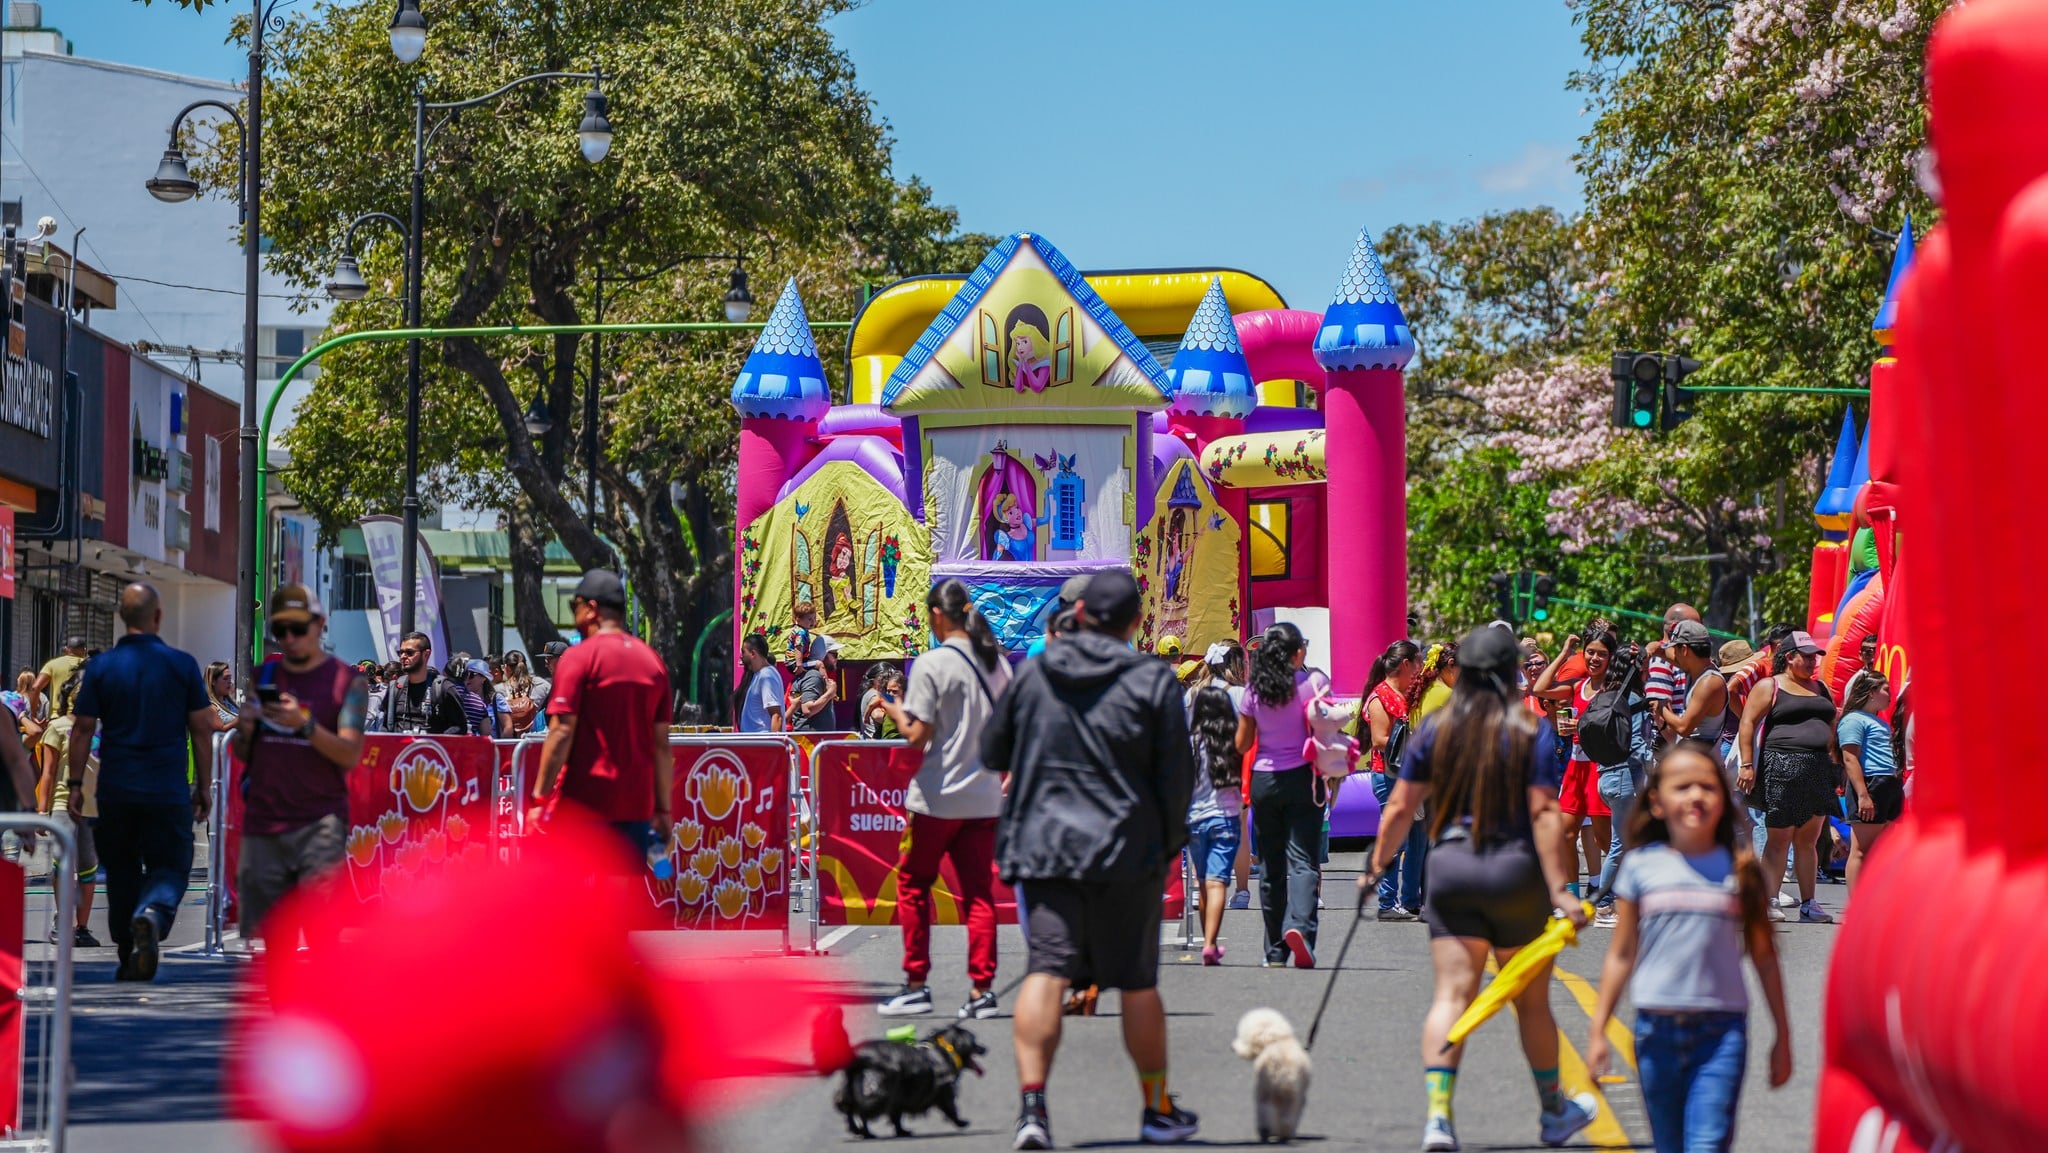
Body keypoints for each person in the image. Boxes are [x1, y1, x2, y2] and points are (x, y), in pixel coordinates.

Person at [982, 569, 1198, 1148]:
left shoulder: (1035, 675)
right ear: (1134, 623)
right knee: (1136, 982)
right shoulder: (1153, 679)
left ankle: (1032, 1110)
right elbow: (1178, 775)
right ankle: (1155, 1109)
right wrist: (1169, 843)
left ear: (1076, 616)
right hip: (1127, 850)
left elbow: (992, 748)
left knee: (1047, 969)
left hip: (1045, 847)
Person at [1364, 624, 1599, 1153]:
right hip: (1515, 871)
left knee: (1451, 994)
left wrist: (1374, 868)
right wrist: (1560, 890)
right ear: (1509, 673)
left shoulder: (1435, 729)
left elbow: (1401, 807)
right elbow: (1542, 809)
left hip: (1451, 868)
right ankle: (1553, 1110)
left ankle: (1439, 1118)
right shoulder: (1527, 727)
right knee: (1532, 1004)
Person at [1587, 741, 1793, 1153]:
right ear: (1657, 803)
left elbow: (1764, 958)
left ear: (1723, 797)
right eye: (1682, 787)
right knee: (1669, 1145)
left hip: (1721, 1036)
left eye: (1708, 786)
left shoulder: (1741, 870)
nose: (1696, 795)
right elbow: (1621, 954)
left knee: (1707, 1143)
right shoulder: (1641, 867)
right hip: (1654, 1032)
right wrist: (1597, 1031)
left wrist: (1782, 1037)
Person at [872, 580, 1012, 1020]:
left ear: (936, 615)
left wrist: (893, 709)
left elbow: (917, 736)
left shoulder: (932, 665)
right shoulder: (999, 667)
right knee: (978, 895)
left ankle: (916, 983)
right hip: (984, 797)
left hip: (935, 799)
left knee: (913, 886)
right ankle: (982, 990)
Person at [68, 583, 216, 982]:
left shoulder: (101, 667)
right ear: (157, 617)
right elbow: (202, 728)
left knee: (121, 871)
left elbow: (81, 730)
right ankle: (152, 914)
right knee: (171, 863)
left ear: (121, 617)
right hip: (166, 788)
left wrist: (76, 784)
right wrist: (204, 785)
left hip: (116, 788)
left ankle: (125, 952)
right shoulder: (181, 664)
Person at [231, 586, 367, 952]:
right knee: (275, 945)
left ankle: (320, 1009)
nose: (289, 639)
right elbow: (246, 753)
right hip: (267, 823)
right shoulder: (263, 676)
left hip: (319, 822)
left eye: (298, 628)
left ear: (319, 624)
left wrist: (303, 724)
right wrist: (245, 730)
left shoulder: (347, 682)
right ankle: (283, 1011)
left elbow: (350, 754)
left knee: (322, 936)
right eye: (280, 630)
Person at [530, 571, 675, 864]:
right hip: (636, 805)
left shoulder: (579, 658)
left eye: (575, 607)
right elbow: (662, 746)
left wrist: (539, 798)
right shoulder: (653, 662)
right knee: (622, 896)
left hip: (584, 805)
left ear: (591, 608)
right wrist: (663, 810)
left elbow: (560, 732)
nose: (575, 617)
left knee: (576, 899)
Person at [1235, 622, 1330, 968]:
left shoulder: (1253, 691)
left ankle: (1274, 951)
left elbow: (1242, 744)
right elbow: (1330, 728)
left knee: (1272, 867)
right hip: (1304, 778)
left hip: (1265, 781)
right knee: (1304, 861)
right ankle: (1302, 929)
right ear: (1298, 653)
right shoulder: (1315, 683)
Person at [1735, 630, 1836, 924]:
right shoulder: (1770, 686)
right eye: (1805, 657)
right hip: (1781, 766)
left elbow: (1831, 725)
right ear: (1789, 658)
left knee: (1808, 840)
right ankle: (1769, 899)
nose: (1811, 662)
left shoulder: (1821, 688)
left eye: (1814, 657)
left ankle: (1809, 904)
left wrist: (1833, 762)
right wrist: (1746, 765)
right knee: (1779, 838)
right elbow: (1747, 723)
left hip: (1818, 770)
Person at [1532, 628, 1625, 899]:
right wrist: (1563, 654)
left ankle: (1615, 896)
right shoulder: (1577, 686)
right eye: (1591, 652)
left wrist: (1581, 728)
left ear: (1611, 658)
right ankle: (1571, 895)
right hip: (1576, 767)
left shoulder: (1614, 688)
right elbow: (1539, 689)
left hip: (1599, 768)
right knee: (1564, 834)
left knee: (1605, 840)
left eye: (1602, 654)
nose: (1595, 658)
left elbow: (1614, 729)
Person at [36, 675, 100, 947]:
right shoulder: (57, 727)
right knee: (62, 865)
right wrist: (42, 811)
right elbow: (48, 771)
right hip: (63, 804)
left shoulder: (102, 728)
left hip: (94, 807)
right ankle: (61, 921)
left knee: (89, 867)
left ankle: (81, 927)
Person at [1364, 639, 1424, 920]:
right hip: (1388, 775)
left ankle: (1411, 901)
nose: (1421, 668)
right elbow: (1379, 740)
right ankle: (1387, 903)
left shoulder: (1407, 694)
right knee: (1396, 840)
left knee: (1417, 838)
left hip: (1411, 776)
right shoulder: (1380, 696)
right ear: (1405, 664)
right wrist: (1415, 742)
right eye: (1418, 662)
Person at [1185, 684, 1242, 965]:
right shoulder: (1234, 741)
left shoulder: (1190, 742)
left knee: (1202, 882)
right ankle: (1210, 943)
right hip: (1226, 816)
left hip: (1194, 819)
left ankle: (1209, 941)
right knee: (1218, 882)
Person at [1836, 670, 1899, 892]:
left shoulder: (1878, 721)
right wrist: (1863, 795)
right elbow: (1850, 757)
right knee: (1861, 850)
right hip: (1871, 783)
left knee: (1882, 850)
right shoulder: (1853, 719)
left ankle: (1874, 900)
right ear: (1871, 692)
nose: (1890, 694)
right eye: (1885, 689)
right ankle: (1856, 906)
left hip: (1888, 782)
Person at [381, 632, 468, 735]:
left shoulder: (444, 688)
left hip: (431, 749)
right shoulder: (394, 688)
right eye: (401, 652)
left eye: (410, 652)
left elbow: (459, 727)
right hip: (399, 749)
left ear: (426, 654)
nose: (403, 657)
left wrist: (433, 741)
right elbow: (385, 726)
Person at [1642, 604, 1702, 732]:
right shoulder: (1660, 661)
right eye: (1695, 626)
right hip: (1666, 746)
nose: (1701, 632)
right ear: (1675, 627)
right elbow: (1657, 712)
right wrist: (1676, 747)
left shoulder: (1684, 658)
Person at [735, 634, 785, 734]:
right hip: (755, 744)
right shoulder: (759, 674)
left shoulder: (767, 676)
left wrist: (775, 747)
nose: (742, 656)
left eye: (744, 652)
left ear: (753, 653)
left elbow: (776, 715)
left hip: (762, 744)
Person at [787, 640, 838, 733]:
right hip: (810, 742)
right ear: (824, 654)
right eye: (835, 655)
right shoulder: (813, 676)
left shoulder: (811, 675)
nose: (836, 659)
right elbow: (808, 709)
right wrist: (830, 693)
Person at [31, 636, 86, 719]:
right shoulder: (93, 666)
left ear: (66, 649)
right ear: (84, 650)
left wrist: (33, 716)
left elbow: (35, 687)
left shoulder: (53, 664)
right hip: (83, 719)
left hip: (57, 718)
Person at [498, 650, 546, 736]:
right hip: (534, 738)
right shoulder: (542, 685)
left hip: (509, 740)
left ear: (506, 667)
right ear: (525, 665)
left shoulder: (499, 690)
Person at [455, 658, 505, 737]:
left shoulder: (496, 699)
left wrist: (501, 747)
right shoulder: (460, 698)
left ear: (484, 678)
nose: (467, 678)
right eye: (465, 674)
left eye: (472, 675)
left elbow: (507, 727)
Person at [204, 660, 240, 733]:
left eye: (230, 678)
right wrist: (241, 719)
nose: (229, 682)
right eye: (225, 678)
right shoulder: (211, 706)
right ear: (213, 681)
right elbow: (220, 730)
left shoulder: (230, 704)